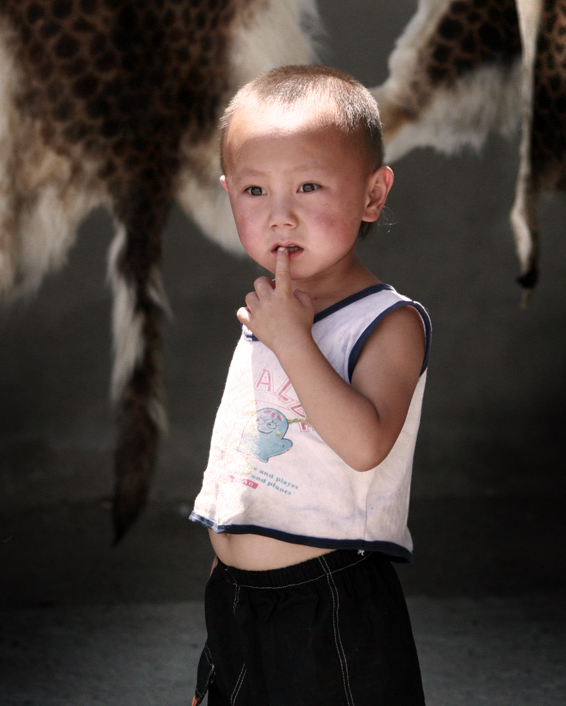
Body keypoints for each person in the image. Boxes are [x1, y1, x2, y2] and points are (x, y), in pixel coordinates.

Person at [189, 64, 431, 706]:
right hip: (239, 599)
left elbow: (364, 443)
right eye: (254, 192)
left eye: (309, 186)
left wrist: (292, 339)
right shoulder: (273, 309)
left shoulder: (388, 322)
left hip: (328, 602)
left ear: (373, 195)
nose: (280, 217)